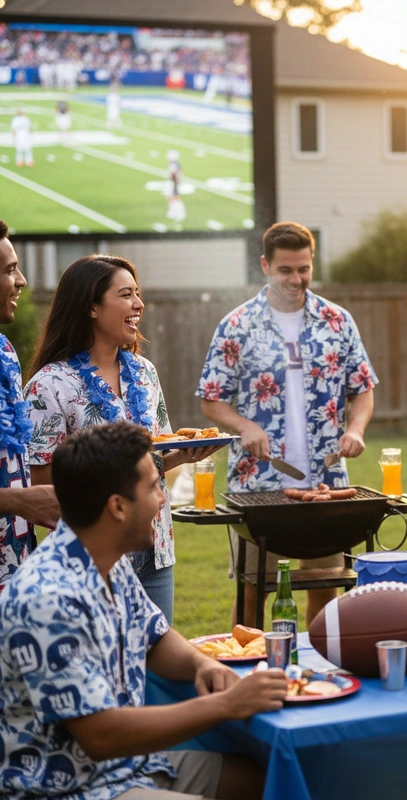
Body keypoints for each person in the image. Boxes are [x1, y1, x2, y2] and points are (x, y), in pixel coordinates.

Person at [0, 421, 288, 799]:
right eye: (153, 487)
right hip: (68, 788)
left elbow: (155, 636)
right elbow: (102, 735)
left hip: (129, 767)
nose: (163, 500)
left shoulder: (107, 560)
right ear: (117, 507)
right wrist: (223, 706)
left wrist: (204, 665)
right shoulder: (47, 599)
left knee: (273, 777)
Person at [198, 221, 377, 626]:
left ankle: (319, 673)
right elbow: (211, 399)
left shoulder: (338, 321)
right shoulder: (237, 325)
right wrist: (244, 425)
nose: (296, 279)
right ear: (265, 265)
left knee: (325, 586)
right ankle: (247, 675)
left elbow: (363, 389)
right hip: (258, 486)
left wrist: (356, 430)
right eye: (285, 270)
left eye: (304, 269)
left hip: (326, 485)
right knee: (252, 590)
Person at [23, 254, 219, 623]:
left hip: (155, 546)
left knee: (154, 666)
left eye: (138, 293)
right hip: (94, 556)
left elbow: (152, 458)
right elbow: (44, 489)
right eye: (126, 294)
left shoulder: (144, 372)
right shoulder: (49, 386)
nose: (139, 304)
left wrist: (185, 455)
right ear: (92, 307)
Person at [0, 221, 60, 589]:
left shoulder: (5, 352)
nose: (21, 280)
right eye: (9, 270)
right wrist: (18, 500)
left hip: (15, 565)